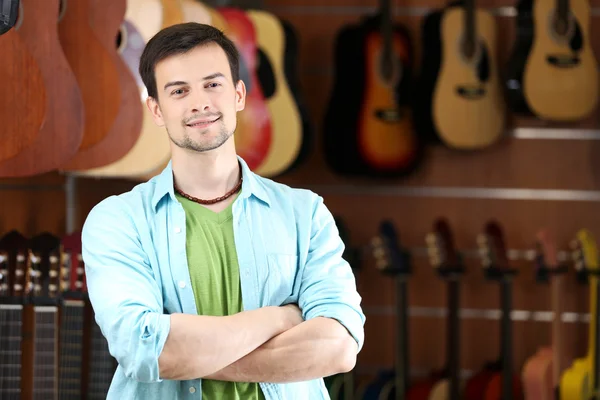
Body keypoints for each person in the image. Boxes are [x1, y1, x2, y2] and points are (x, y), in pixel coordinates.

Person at [81, 22, 365, 400]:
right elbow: (144, 349)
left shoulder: (305, 214)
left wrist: (187, 356)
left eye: (212, 85)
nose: (199, 103)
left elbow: (339, 346)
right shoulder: (117, 221)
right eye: (179, 91)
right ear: (157, 110)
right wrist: (280, 318)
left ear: (239, 95)